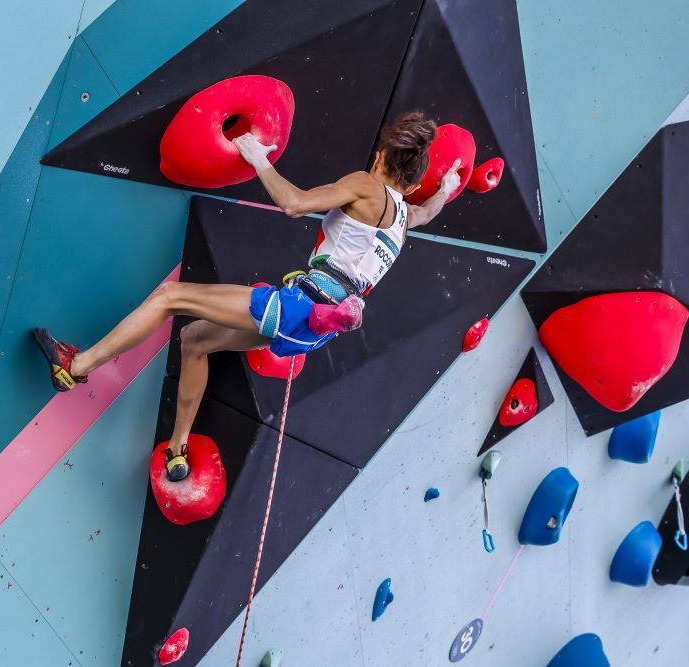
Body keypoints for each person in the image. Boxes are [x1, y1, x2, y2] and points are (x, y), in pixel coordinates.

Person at [32, 111, 463, 482]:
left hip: (300, 304)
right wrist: (445, 189)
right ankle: (177, 452)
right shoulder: (406, 218)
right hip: (308, 334)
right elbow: (429, 211)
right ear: (415, 181)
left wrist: (258, 156)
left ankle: (76, 366)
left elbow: (295, 204)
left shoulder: (367, 185)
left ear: (381, 157)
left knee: (170, 297)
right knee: (197, 341)